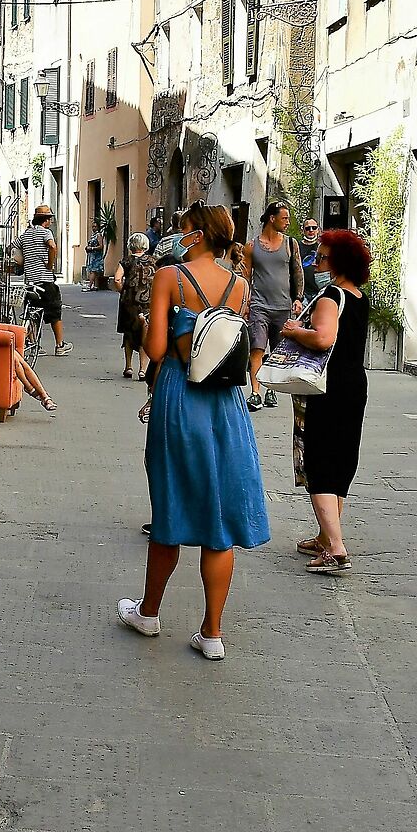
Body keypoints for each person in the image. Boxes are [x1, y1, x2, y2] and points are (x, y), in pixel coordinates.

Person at [118, 203, 270, 657]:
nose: (179, 237)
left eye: (184, 230)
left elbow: (159, 350)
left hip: (180, 398)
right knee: (219, 513)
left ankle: (149, 612)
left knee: (170, 503)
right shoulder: (240, 286)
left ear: (198, 235)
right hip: (226, 405)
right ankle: (213, 633)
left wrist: (147, 325)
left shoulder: (171, 277)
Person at [280, 227, 371, 573]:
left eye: (321, 257)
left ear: (337, 262)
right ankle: (324, 535)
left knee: (318, 463)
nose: (316, 262)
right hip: (353, 384)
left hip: (326, 386)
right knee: (342, 459)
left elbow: (322, 339)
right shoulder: (358, 296)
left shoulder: (331, 296)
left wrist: (292, 331)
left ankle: (335, 546)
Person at [241, 202, 305, 410]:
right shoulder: (252, 246)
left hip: (283, 306)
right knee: (257, 349)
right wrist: (246, 300)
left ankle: (272, 391)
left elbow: (297, 272)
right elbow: (245, 275)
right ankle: (255, 392)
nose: (288, 222)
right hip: (259, 305)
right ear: (272, 218)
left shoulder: (290, 244)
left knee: (278, 352)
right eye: (285, 218)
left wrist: (298, 298)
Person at [16, 204, 69, 355]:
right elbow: (52, 247)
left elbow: (13, 249)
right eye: (50, 218)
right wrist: (50, 264)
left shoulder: (25, 235)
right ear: (46, 220)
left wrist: (24, 262)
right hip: (45, 281)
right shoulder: (46, 233)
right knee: (54, 313)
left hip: (30, 282)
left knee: (32, 313)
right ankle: (59, 345)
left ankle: (34, 346)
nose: (51, 222)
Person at [116, 231, 155, 379]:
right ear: (145, 245)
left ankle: (128, 367)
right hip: (147, 303)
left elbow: (117, 279)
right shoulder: (154, 261)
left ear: (130, 246)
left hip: (129, 303)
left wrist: (123, 292)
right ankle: (143, 370)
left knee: (128, 333)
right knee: (144, 333)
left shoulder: (125, 261)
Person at [298, 215, 321, 291]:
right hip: (302, 291)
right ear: (303, 230)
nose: (311, 230)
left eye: (314, 228)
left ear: (318, 230)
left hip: (318, 289)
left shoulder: (322, 247)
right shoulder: (296, 246)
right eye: (307, 228)